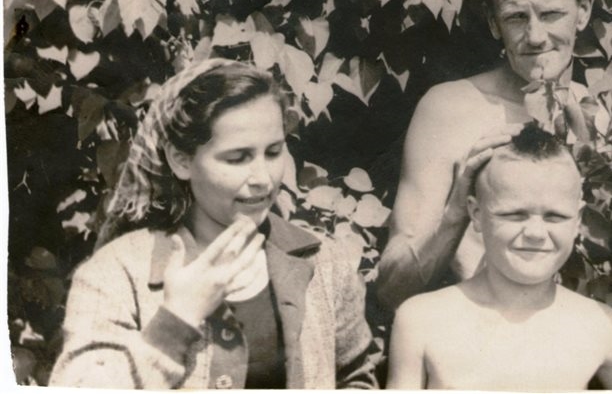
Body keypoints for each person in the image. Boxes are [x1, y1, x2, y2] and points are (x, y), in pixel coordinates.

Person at [49, 59, 378, 389]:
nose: (263, 179)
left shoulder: (325, 264)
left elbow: (356, 379)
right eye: (237, 158)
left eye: (273, 152)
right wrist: (176, 319)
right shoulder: (116, 272)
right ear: (181, 160)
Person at [376, 0, 595, 310]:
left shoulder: (601, 119)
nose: (535, 36)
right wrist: (457, 210)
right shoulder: (450, 109)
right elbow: (391, 289)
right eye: (516, 17)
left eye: (551, 14)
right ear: (494, 23)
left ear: (584, 10)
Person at [386, 124, 612, 390]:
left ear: (577, 220)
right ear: (475, 213)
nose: (535, 233)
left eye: (555, 216)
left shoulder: (601, 326)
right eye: (514, 214)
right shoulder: (423, 320)